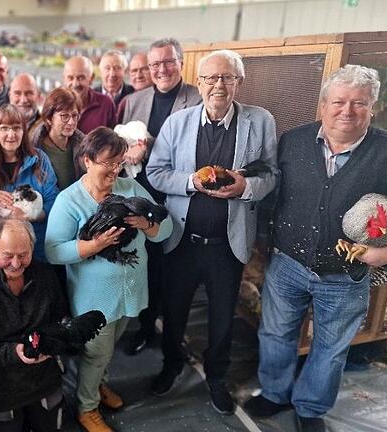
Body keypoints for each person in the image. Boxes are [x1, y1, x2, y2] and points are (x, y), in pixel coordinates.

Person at [243, 65, 387, 432]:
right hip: (288, 263)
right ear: (322, 106)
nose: (346, 111)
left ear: (373, 108)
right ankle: (274, 392)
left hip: (347, 276)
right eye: (338, 101)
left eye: (358, 103)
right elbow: (272, 196)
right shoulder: (292, 141)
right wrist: (260, 245)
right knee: (275, 334)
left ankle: (310, 408)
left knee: (331, 348)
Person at [146, 49, 278, 416]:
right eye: (211, 78)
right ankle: (171, 365)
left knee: (223, 317)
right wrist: (190, 181)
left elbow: (270, 174)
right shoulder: (177, 123)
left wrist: (244, 189)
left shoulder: (260, 121)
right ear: (199, 82)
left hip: (227, 246)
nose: (219, 85)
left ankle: (217, 377)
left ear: (239, 81)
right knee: (174, 312)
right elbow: (156, 173)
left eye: (227, 77)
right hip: (182, 241)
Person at [45, 127, 173, 432]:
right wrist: (93, 246)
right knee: (96, 353)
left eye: (120, 163)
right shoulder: (70, 200)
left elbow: (165, 229)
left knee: (106, 350)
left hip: (129, 292)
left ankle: (97, 385)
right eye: (108, 163)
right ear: (87, 160)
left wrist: (148, 225)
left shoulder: (131, 189)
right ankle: (86, 407)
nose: (116, 171)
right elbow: (52, 251)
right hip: (94, 300)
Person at [118, 37, 202, 356]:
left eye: (168, 62)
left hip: (178, 197)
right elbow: (120, 139)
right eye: (155, 64)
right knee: (147, 265)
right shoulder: (134, 100)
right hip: (142, 194)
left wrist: (149, 147)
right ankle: (145, 325)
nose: (161, 69)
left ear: (180, 62)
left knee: (173, 266)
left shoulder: (196, 98)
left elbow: (194, 151)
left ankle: (172, 333)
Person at [0, 218, 67, 432]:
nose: (16, 264)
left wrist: (56, 342)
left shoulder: (46, 276)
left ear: (32, 248)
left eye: (23, 255)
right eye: (8, 256)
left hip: (45, 381)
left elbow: (60, 319)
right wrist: (15, 352)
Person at [0, 104, 59, 263]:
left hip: (35, 249)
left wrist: (31, 215)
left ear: (24, 131)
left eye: (16, 128)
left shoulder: (40, 159)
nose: (11, 135)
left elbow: (53, 200)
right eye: (4, 128)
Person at [30, 87, 85, 190]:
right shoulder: (34, 149)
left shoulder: (83, 145)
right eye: (64, 116)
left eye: (74, 115)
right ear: (49, 118)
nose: (71, 122)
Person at [63, 56, 116, 134]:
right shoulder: (55, 104)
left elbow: (114, 141)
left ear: (91, 78)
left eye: (81, 78)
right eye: (70, 78)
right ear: (64, 79)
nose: (75, 84)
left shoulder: (106, 104)